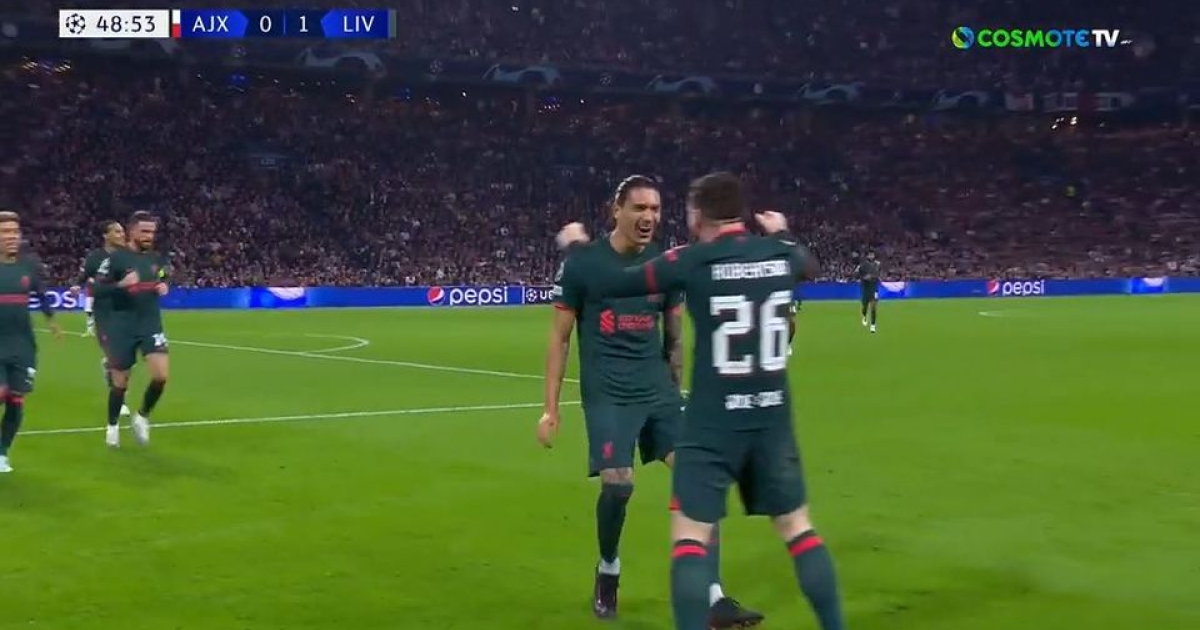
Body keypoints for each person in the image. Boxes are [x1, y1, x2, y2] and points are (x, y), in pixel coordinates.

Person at [554, 172, 845, 630]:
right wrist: (782, 232)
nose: (655, 216)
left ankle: (708, 603)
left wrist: (575, 249)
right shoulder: (778, 253)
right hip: (772, 418)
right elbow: (808, 264)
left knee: (689, 536)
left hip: (715, 422)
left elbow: (614, 280)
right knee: (799, 530)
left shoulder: (689, 261)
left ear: (697, 214)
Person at [539, 175, 762, 627]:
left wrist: (679, 393)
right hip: (609, 394)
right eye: (639, 207)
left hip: (658, 390)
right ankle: (608, 568)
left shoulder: (665, 264)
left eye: (656, 209)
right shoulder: (583, 266)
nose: (649, 217)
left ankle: (713, 597)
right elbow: (559, 339)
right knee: (618, 485)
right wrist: (551, 408)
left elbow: (674, 337)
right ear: (616, 210)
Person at [97, 211, 170, 447]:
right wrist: (121, 284)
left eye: (152, 232)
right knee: (120, 382)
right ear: (132, 232)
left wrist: (163, 284)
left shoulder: (155, 258)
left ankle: (142, 416)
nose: (149, 236)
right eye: (144, 231)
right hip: (122, 325)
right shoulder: (116, 259)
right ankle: (112, 426)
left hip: (150, 322)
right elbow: (98, 290)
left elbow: (162, 275)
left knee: (161, 375)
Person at [0, 212, 63, 472]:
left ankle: (2, 453)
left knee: (16, 399)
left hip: (23, 345)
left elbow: (42, 294)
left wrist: (52, 321)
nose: (11, 237)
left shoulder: (28, 267)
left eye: (15, 232)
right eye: (5, 232)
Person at [69, 220, 132, 426]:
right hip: (104, 312)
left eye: (122, 231)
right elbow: (83, 275)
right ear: (106, 235)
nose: (122, 234)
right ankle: (121, 400)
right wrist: (76, 286)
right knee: (116, 357)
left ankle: (113, 377)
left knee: (125, 359)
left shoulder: (128, 255)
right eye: (117, 231)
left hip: (125, 310)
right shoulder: (95, 258)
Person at [855, 252, 880, 333]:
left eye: (872, 254)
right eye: (870, 254)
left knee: (873, 307)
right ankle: (864, 316)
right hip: (865, 289)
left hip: (874, 289)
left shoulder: (877, 264)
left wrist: (872, 277)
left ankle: (873, 325)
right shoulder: (862, 265)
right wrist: (864, 277)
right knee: (865, 307)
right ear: (867, 256)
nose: (871, 256)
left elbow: (877, 275)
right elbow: (856, 275)